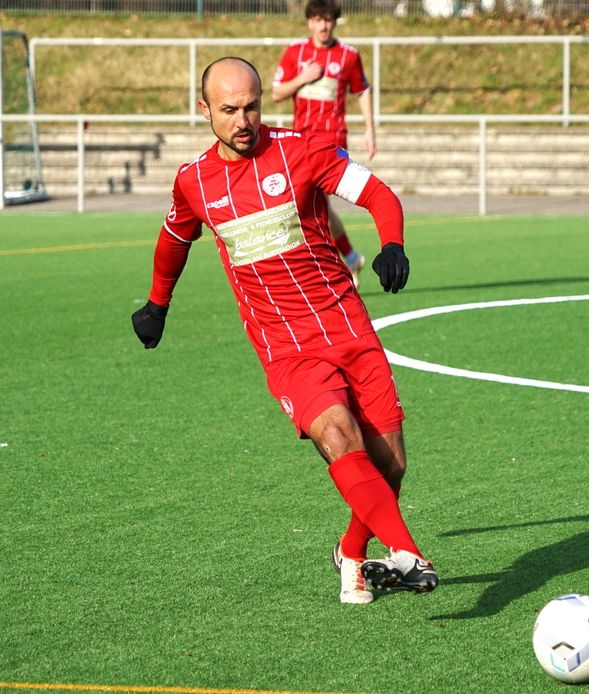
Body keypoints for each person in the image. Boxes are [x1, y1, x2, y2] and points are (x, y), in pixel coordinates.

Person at [131, 57, 437, 605]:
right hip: (286, 347)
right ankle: (408, 554)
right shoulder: (193, 180)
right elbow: (174, 239)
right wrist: (157, 304)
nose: (243, 120)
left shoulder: (302, 149)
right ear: (204, 110)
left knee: (390, 465)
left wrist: (392, 244)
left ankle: (351, 551)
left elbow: (378, 194)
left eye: (251, 107)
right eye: (229, 110)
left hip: (347, 326)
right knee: (338, 436)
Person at [271, 0, 373, 288]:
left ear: (334, 22)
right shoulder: (295, 53)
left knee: (311, 204)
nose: (323, 26)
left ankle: (328, 270)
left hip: (332, 140)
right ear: (309, 23)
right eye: (318, 20)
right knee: (317, 206)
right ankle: (349, 257)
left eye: (328, 20)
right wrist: (303, 78)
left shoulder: (348, 56)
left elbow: (362, 91)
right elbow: (276, 93)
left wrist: (370, 129)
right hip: (301, 141)